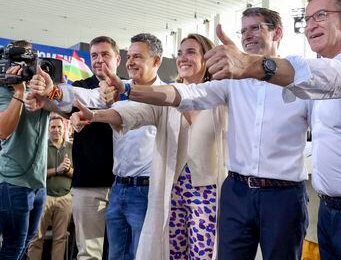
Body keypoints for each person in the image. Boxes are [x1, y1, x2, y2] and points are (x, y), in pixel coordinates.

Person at [202, 0, 341, 260]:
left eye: (321, 16)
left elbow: (340, 80)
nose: (311, 25)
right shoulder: (317, 77)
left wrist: (256, 65)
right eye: (307, 18)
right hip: (330, 213)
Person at [97, 9, 311, 260]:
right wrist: (121, 93)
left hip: (266, 193)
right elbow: (166, 100)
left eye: (255, 28)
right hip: (225, 193)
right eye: (243, 30)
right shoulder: (225, 86)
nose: (247, 35)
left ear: (278, 32)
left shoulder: (296, 77)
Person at [71, 34, 228, 260]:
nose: (183, 58)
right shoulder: (165, 99)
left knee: (203, 255)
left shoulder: (219, 95)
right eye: (180, 53)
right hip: (173, 193)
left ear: (207, 58)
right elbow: (133, 112)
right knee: (174, 253)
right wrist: (94, 116)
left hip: (207, 194)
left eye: (191, 52)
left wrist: (124, 87)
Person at [28, 33, 164, 259]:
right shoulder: (105, 90)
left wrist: (91, 114)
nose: (99, 60)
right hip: (102, 184)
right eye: (94, 55)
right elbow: (78, 98)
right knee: (98, 253)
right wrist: (53, 94)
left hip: (141, 187)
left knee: (138, 252)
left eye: (136, 56)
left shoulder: (141, 91)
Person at [27, 36, 120, 260]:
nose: (99, 60)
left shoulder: (129, 90)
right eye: (94, 55)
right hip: (88, 184)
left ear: (118, 58)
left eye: (105, 54)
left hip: (124, 185)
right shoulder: (79, 88)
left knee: (121, 251)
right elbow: (60, 100)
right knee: (89, 253)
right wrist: (48, 97)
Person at [0, 40, 48, 259]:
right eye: (20, 61)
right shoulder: (3, 90)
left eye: (30, 60)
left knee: (27, 241)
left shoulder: (40, 88)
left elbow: (63, 106)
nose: (25, 67)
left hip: (38, 181)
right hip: (12, 181)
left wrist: (53, 90)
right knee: (14, 245)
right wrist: (18, 90)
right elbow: (3, 131)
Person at [27, 114, 73, 260]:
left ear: (64, 129)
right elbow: (35, 172)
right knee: (36, 237)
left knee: (60, 239)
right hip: (44, 197)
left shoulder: (71, 148)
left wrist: (68, 170)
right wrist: (57, 170)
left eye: (59, 127)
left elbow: (78, 174)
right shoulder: (41, 146)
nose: (56, 130)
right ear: (48, 129)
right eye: (53, 127)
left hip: (65, 198)